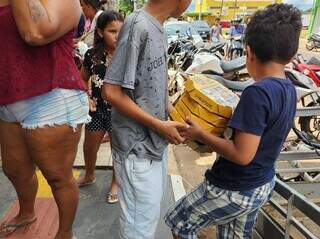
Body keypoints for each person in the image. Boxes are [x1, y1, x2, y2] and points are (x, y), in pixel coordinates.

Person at [165, 3, 301, 239]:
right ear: (291, 54)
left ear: (248, 53)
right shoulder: (288, 87)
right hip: (262, 184)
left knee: (180, 222)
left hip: (233, 187)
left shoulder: (257, 94)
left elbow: (241, 154)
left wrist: (201, 135)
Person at [0, 1, 89, 239]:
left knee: (58, 177)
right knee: (14, 169)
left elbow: (35, 32)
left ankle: (64, 232)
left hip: (52, 96)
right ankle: (27, 212)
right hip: (9, 96)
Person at [102, 0, 191, 238]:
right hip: (137, 147)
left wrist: (171, 113)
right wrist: (159, 125)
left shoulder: (156, 26)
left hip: (153, 144)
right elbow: (110, 91)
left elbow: (145, 87)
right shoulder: (136, 25)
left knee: (147, 219)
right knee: (138, 229)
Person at [77, 10, 124, 204]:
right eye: (113, 31)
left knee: (118, 151)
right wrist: (86, 98)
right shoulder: (91, 55)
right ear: (99, 33)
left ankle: (116, 183)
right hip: (97, 111)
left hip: (121, 113)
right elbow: (81, 80)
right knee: (89, 147)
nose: (118, 36)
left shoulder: (128, 56)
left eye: (121, 31)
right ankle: (89, 175)